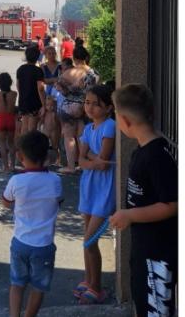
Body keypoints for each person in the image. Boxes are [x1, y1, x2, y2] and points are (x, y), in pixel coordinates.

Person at [110, 84, 177, 317]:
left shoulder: (157, 156)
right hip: (144, 247)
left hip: (158, 253)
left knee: (155, 310)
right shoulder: (141, 150)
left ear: (126, 121)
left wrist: (129, 215)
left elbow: (172, 205)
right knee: (141, 301)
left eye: (116, 116)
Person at [2, 131, 62, 317]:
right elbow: (58, 201)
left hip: (20, 242)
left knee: (17, 284)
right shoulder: (55, 180)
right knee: (38, 287)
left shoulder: (16, 181)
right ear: (46, 156)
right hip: (44, 245)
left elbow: (6, 202)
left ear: (20, 156)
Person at [74, 83, 116, 305]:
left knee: (90, 241)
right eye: (87, 103)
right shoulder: (88, 129)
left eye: (95, 104)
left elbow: (103, 164)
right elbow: (80, 160)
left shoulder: (109, 126)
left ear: (109, 107)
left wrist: (89, 158)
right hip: (89, 186)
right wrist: (91, 158)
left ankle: (97, 288)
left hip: (104, 189)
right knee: (86, 239)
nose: (89, 108)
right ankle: (89, 279)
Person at [57, 46, 97, 175]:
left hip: (68, 107)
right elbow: (93, 91)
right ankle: (82, 163)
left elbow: (59, 87)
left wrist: (70, 91)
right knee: (81, 136)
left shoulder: (69, 72)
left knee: (69, 137)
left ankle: (71, 166)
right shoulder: (93, 73)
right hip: (85, 107)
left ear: (74, 59)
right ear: (86, 57)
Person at [16, 45, 46, 137]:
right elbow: (40, 88)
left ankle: (21, 149)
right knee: (32, 129)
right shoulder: (38, 71)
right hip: (34, 102)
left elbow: (18, 85)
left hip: (23, 100)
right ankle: (29, 149)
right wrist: (44, 105)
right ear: (37, 57)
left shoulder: (20, 69)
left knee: (24, 127)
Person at [40, 47, 62, 167]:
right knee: (46, 121)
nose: (52, 55)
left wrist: (52, 81)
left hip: (58, 96)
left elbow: (62, 79)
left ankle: (57, 156)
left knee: (56, 121)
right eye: (49, 53)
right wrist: (54, 80)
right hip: (48, 94)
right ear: (46, 54)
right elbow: (43, 80)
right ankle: (45, 156)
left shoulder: (60, 65)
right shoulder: (43, 66)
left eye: (54, 53)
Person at [0, 72, 18, 172]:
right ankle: (12, 165)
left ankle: (5, 167)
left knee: (2, 143)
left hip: (1, 118)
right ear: (10, 83)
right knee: (11, 143)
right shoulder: (14, 94)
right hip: (10, 119)